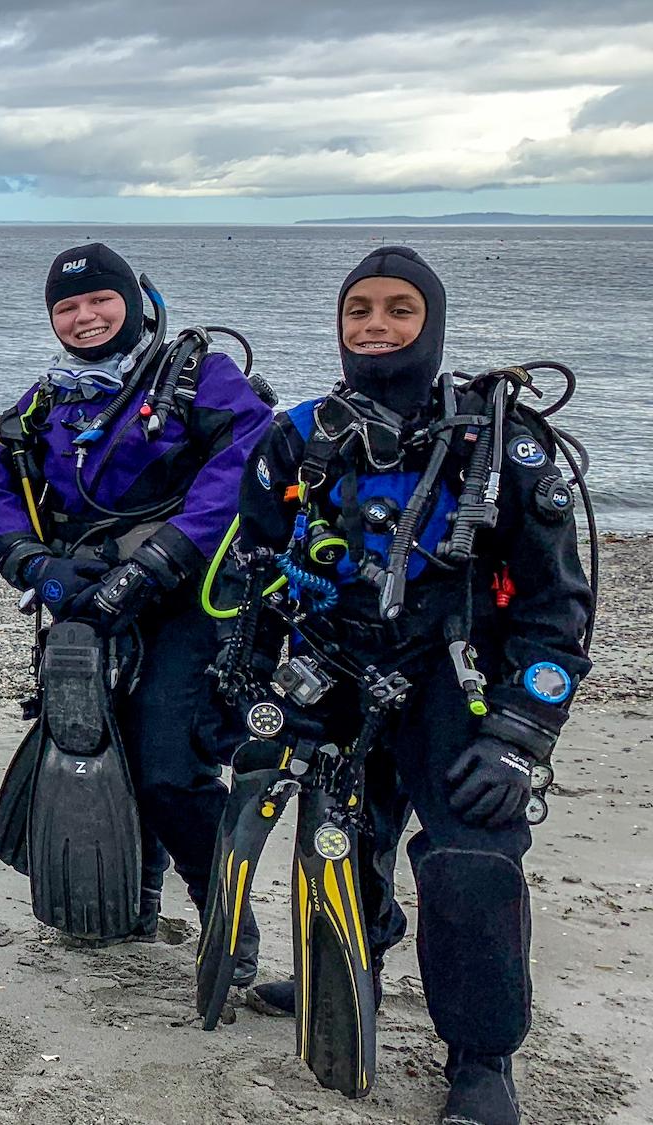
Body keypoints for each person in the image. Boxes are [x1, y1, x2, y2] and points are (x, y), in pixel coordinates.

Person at [223, 246, 592, 1123]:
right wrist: (247, 683)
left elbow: (557, 608)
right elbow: (254, 570)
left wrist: (520, 735)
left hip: (459, 684)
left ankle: (482, 1057)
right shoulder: (299, 439)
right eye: (359, 310)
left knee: (472, 862)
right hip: (338, 673)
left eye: (400, 309)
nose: (377, 325)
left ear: (432, 322)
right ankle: (358, 970)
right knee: (342, 842)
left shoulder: (501, 445)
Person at [0, 242, 273, 945]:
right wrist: (37, 566)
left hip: (192, 601)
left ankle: (228, 921)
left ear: (135, 302)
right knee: (103, 751)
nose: (85, 317)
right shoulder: (50, 401)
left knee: (170, 768)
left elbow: (245, 463)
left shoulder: (199, 378)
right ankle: (133, 901)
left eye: (100, 300)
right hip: (91, 603)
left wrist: (157, 563)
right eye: (67, 307)